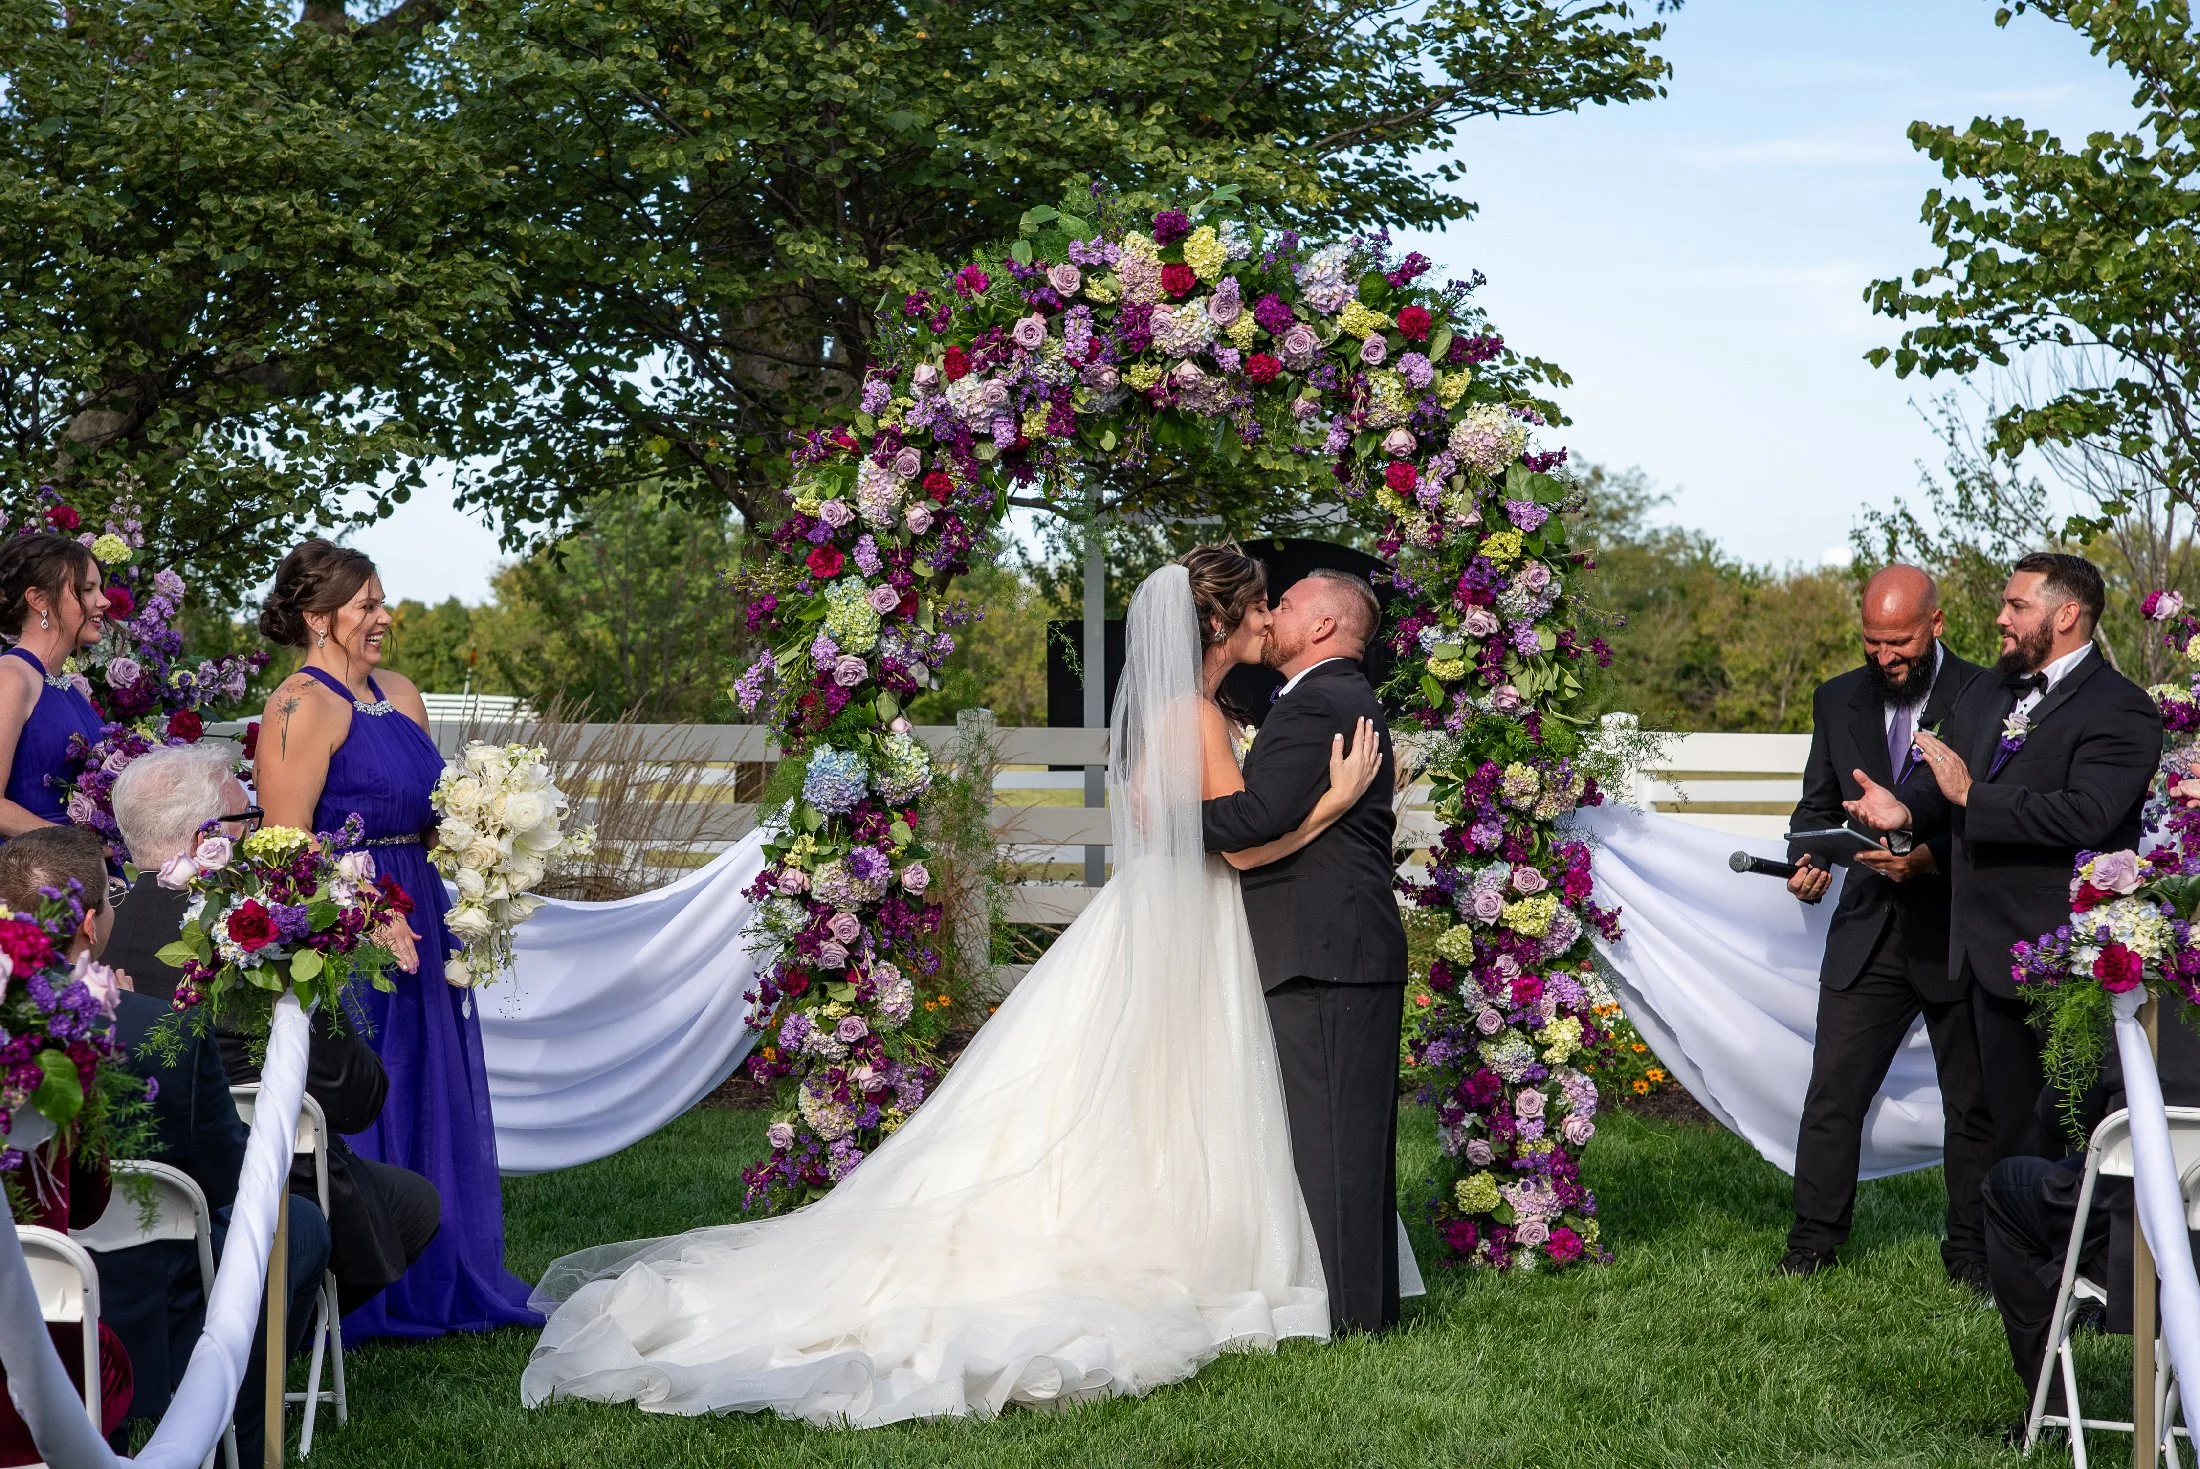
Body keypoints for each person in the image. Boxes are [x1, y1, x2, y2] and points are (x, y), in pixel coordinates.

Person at [521, 549, 1384, 1426]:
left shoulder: (1165, 712)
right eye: (1258, 609)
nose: (1268, 619)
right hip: (1191, 919)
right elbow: (1236, 843)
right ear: (1222, 625)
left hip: (1156, 917)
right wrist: (1331, 803)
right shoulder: (1196, 713)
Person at [249, 538, 534, 1339]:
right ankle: (369, 1278)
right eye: (365, 605)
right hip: (354, 930)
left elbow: (426, 812)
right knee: (377, 1082)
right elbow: (286, 842)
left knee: (429, 1087)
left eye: (382, 601)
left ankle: (442, 1263)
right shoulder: (299, 706)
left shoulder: (400, 695)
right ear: (318, 618)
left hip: (427, 915)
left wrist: (487, 836)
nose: (384, 617)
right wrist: (362, 906)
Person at [0, 826, 327, 1466]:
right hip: (108, 1313)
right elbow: (228, 1178)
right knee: (293, 1228)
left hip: (54, 1289)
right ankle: (241, 1435)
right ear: (89, 924)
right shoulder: (147, 1031)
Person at [1847, 553, 2163, 1166]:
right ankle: (1997, 1259)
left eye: (2017, 606)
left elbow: (2087, 815)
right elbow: (1942, 780)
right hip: (1979, 949)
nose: (2001, 618)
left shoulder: (2120, 707)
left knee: (2063, 1133)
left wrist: (1975, 798)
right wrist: (1903, 811)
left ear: (2067, 614)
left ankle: (2073, 1258)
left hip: (2062, 957)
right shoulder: (1989, 688)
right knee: (1991, 1127)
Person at [106, 742, 441, 1318]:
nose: (257, 835)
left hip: (117, 1188)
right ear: (205, 839)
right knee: (414, 1203)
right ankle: (277, 1329)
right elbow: (354, 1099)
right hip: (253, 1185)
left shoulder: (88, 937)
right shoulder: (261, 942)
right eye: (249, 821)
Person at [1197, 565, 1409, 1334]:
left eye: (1284, 603)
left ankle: (1353, 1322)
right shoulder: (1327, 698)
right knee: (1342, 1139)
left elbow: (1253, 817)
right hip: (1336, 947)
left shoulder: (1321, 699)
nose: (1271, 611)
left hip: (1329, 950)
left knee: (1334, 1145)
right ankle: (1363, 1309)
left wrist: (1169, 821)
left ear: (1322, 626)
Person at [1777, 566, 1995, 1288]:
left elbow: (1997, 815)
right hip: (1867, 929)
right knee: (1834, 1093)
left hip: (1956, 925)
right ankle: (1811, 1245)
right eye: (1871, 641)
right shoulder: (1836, 697)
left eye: (1898, 640)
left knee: (1973, 1104)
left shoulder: (1989, 695)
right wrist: (1810, 858)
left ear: (1936, 623)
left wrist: (1931, 858)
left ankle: (1970, 1254)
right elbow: (1814, 810)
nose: (1884, 656)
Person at [1982, 1002, 2200, 1442]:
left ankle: (2054, 1411)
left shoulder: (2137, 1006)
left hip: (2137, 1260)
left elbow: (2061, 1114)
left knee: (2006, 1188)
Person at [0, 534, 109, 836]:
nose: (104, 601)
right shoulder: (11, 677)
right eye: (87, 589)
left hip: (83, 867)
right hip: (35, 873)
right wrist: (80, 847)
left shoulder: (69, 688)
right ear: (39, 600)